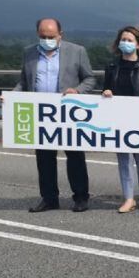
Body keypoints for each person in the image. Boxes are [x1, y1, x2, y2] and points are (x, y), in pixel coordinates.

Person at [11, 18, 95, 212]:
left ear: (60, 35)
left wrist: (77, 90)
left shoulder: (77, 51)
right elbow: (24, 82)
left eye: (51, 36)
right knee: (44, 158)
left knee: (75, 157)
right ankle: (49, 198)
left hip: (68, 113)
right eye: (43, 36)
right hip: (41, 113)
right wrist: (12, 96)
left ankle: (81, 197)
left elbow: (90, 79)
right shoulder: (29, 53)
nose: (47, 39)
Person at [101, 26, 139, 213]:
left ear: (138, 44)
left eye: (129, 40)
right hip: (119, 116)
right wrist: (106, 92)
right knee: (124, 158)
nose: (125, 43)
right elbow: (106, 88)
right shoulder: (112, 66)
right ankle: (128, 198)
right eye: (123, 40)